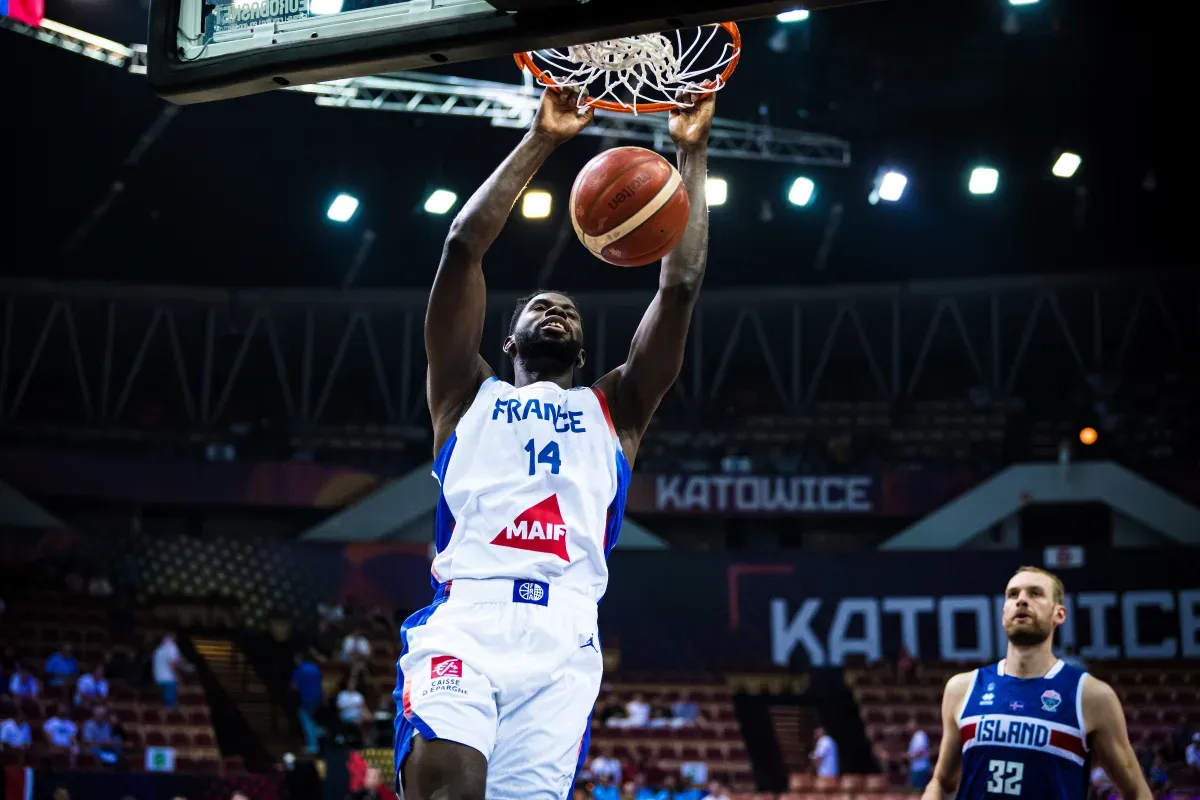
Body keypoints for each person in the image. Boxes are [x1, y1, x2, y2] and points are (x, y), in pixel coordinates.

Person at [393, 84, 714, 800]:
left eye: (567, 310)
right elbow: (461, 247)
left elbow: (682, 286)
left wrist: (691, 155)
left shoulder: (617, 409)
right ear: (507, 340)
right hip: (468, 617)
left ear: (582, 347)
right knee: (448, 788)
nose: (557, 311)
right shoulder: (465, 394)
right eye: (541, 306)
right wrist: (543, 139)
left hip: (566, 635)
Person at [922, 566, 1152, 800]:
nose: (1021, 600)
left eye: (1035, 593)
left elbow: (1135, 790)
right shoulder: (963, 688)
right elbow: (941, 782)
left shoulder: (1091, 696)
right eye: (1013, 594)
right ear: (1003, 613)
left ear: (1059, 614)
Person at [291, 653, 323, 755]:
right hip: (317, 698)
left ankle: (313, 746)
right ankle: (319, 735)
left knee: (307, 721)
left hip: (305, 699)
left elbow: (294, 686)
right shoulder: (316, 668)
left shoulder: (300, 669)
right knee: (312, 719)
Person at [153, 633, 183, 707]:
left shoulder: (159, 649)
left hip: (159, 677)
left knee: (165, 699)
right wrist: (176, 674)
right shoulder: (171, 647)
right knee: (170, 703)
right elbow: (171, 663)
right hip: (169, 678)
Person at [906, 717, 932, 790]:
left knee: (920, 792)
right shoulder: (914, 737)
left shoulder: (920, 735)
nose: (909, 727)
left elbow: (920, 752)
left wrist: (909, 756)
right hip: (914, 769)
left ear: (915, 725)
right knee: (914, 791)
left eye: (911, 724)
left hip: (921, 769)